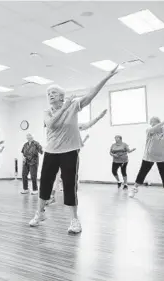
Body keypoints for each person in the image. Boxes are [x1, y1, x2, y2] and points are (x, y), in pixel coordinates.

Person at [29, 66, 119, 234]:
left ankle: (74, 220)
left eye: (53, 93)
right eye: (49, 94)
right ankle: (39, 213)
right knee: (45, 183)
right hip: (51, 152)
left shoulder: (74, 106)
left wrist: (106, 78)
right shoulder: (47, 111)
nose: (50, 95)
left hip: (70, 151)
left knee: (70, 184)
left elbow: (90, 95)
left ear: (62, 96)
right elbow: (51, 124)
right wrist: (64, 107)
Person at [47, 109, 108, 205]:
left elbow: (88, 124)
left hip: (70, 155)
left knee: (70, 178)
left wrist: (98, 117)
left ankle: (71, 199)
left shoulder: (74, 125)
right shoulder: (59, 125)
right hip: (58, 154)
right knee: (56, 176)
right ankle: (52, 196)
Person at [129, 116, 164, 198]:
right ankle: (134, 188)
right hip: (148, 157)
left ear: (158, 123)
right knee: (142, 173)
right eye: (151, 123)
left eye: (154, 123)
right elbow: (152, 129)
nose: (152, 125)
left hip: (162, 158)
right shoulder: (149, 131)